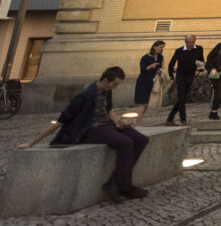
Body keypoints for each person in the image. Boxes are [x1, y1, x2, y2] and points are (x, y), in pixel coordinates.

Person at [17, 66, 150, 203]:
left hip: (107, 125)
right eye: (114, 84)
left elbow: (108, 110)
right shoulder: (85, 96)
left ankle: (113, 183)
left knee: (141, 139)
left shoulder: (106, 91)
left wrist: (118, 120)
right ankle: (125, 187)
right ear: (105, 80)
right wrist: (31, 143)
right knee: (125, 143)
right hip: (89, 130)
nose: (115, 87)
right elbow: (60, 121)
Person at [166, 34, 204, 126]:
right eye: (188, 42)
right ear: (185, 42)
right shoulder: (179, 51)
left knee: (182, 98)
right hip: (180, 76)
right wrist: (171, 76)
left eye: (192, 42)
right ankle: (183, 120)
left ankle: (170, 118)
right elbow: (171, 64)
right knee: (182, 97)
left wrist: (200, 64)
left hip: (191, 75)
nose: (190, 44)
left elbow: (202, 60)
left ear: (195, 41)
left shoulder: (199, 48)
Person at [134, 39, 165, 119]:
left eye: (163, 47)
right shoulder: (145, 58)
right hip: (143, 82)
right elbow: (143, 70)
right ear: (154, 47)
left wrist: (160, 71)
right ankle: (138, 123)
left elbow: (162, 68)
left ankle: (139, 121)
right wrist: (151, 66)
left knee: (147, 104)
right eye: (160, 47)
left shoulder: (160, 57)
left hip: (153, 82)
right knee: (143, 103)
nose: (161, 49)